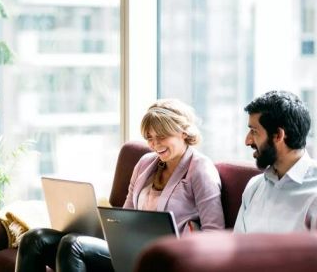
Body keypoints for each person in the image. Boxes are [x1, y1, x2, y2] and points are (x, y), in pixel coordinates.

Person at [15, 99, 225, 272]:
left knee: (74, 245)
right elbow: (125, 216)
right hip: (127, 249)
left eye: (162, 136)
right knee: (35, 239)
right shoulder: (145, 164)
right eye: (149, 138)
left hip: (162, 259)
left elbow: (215, 234)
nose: (155, 144)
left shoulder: (200, 169)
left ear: (184, 132)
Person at [234, 90, 317, 233]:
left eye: (254, 131)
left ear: (278, 135)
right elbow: (238, 248)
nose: (247, 141)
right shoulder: (254, 187)